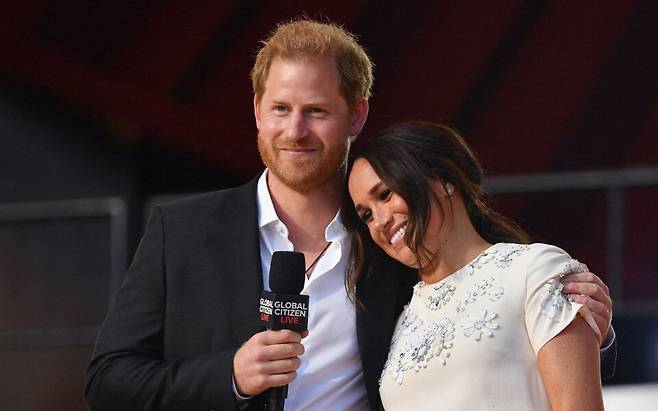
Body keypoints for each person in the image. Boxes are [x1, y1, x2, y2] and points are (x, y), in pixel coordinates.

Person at [85, 19, 614, 411]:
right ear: (256, 110)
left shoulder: (395, 234)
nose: (295, 131)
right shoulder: (181, 232)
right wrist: (229, 375)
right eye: (280, 109)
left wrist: (582, 316)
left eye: (316, 111)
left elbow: (489, 288)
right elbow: (108, 380)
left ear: (356, 114)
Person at [343, 121, 605, 410]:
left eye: (385, 195)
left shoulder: (535, 270)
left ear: (444, 179)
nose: (379, 221)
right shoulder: (401, 320)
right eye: (366, 215)